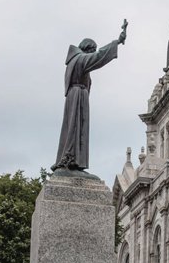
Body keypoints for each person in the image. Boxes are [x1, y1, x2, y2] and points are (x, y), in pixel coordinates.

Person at [53, 21, 128, 171]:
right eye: (92, 50)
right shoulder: (80, 59)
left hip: (75, 96)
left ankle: (72, 159)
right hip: (78, 97)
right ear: (87, 49)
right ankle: (70, 158)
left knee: (74, 126)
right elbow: (99, 56)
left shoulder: (73, 61)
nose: (93, 53)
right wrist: (117, 41)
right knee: (76, 126)